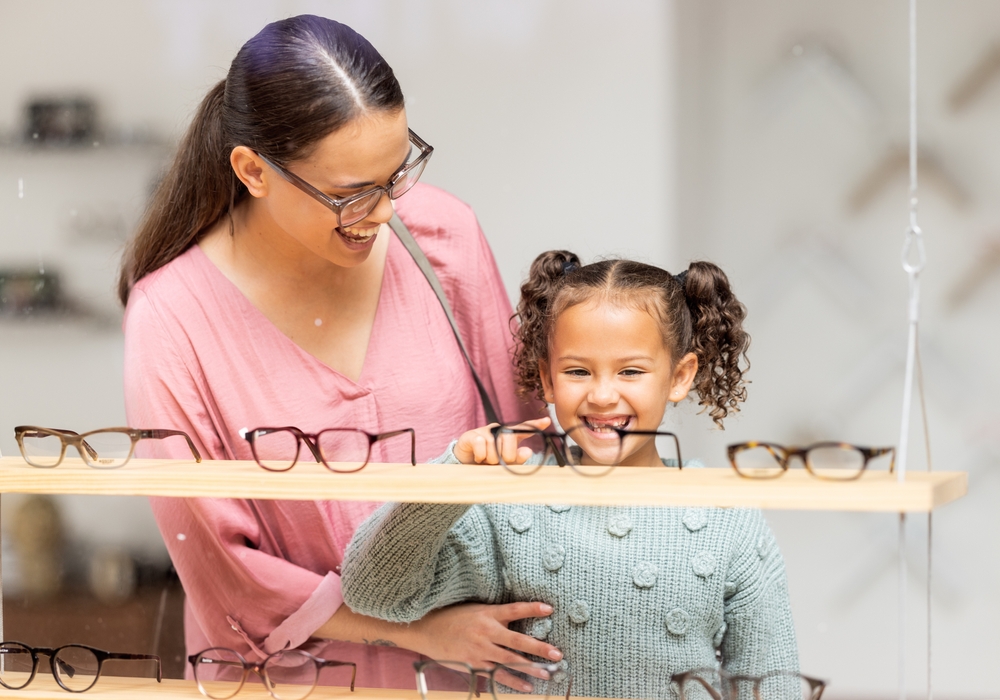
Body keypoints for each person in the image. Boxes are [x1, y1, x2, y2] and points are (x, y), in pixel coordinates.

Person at [119, 15, 559, 689]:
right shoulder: (172, 318)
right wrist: (419, 630)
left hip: (471, 671)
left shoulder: (443, 237)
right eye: (350, 195)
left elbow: (524, 441)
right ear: (251, 171)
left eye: (396, 172)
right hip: (292, 680)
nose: (383, 212)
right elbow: (221, 569)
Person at [341, 251, 799, 698]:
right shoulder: (511, 503)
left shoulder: (728, 518)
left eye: (631, 371)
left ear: (679, 376)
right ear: (547, 379)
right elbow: (373, 593)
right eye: (578, 370)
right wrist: (451, 479)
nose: (602, 395)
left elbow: (772, 682)